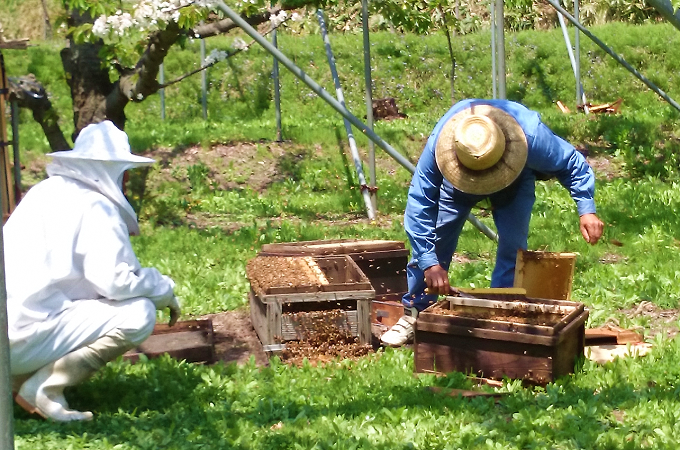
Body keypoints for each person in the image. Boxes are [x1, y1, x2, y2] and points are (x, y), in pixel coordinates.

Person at [380, 99, 604, 347]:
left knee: (513, 247)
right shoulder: (441, 144)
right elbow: (420, 201)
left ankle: (500, 318)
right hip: (457, 186)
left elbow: (571, 162)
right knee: (437, 240)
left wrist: (587, 210)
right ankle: (415, 313)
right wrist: (428, 261)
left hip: (514, 183)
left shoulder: (531, 136)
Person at [4, 120, 181, 421]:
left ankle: (17, 380)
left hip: (7, 330)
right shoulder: (96, 207)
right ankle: (44, 389)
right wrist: (163, 289)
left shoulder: (42, 192)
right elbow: (116, 281)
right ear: (111, 169)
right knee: (139, 313)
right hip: (23, 339)